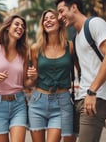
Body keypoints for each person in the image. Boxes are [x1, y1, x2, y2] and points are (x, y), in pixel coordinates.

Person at [55, 0, 106, 142]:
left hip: (97, 97)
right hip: (82, 98)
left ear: (74, 7)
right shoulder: (77, 37)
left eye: (61, 10)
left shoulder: (94, 23)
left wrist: (92, 91)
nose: (59, 16)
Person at [27, 9, 76, 142]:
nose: (47, 20)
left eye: (52, 17)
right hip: (38, 102)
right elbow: (31, 82)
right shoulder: (35, 48)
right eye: (45, 19)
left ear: (59, 23)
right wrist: (33, 77)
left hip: (62, 103)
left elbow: (80, 71)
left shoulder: (70, 47)